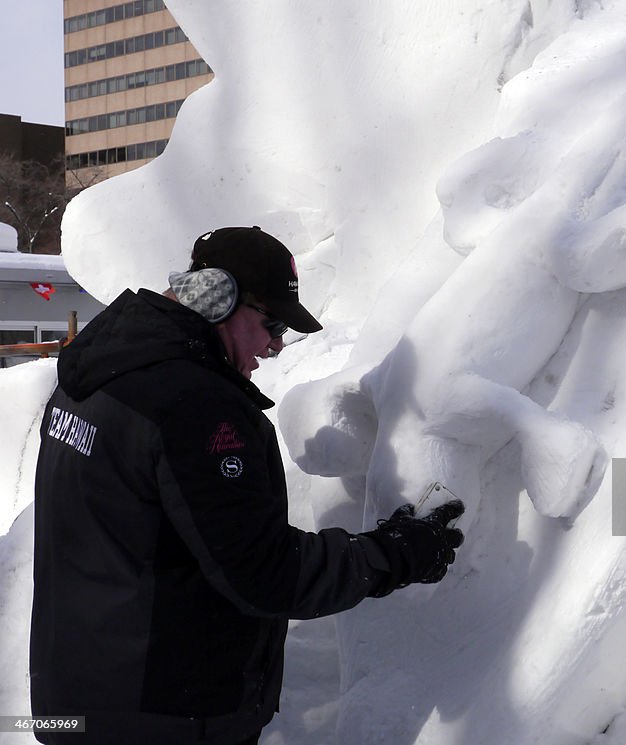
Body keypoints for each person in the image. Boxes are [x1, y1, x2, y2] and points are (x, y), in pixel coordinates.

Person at [30, 226, 465, 745]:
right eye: (272, 322)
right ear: (215, 296)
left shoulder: (99, 375)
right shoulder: (192, 406)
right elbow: (265, 572)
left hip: (80, 699)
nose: (277, 345)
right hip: (164, 715)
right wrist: (395, 553)